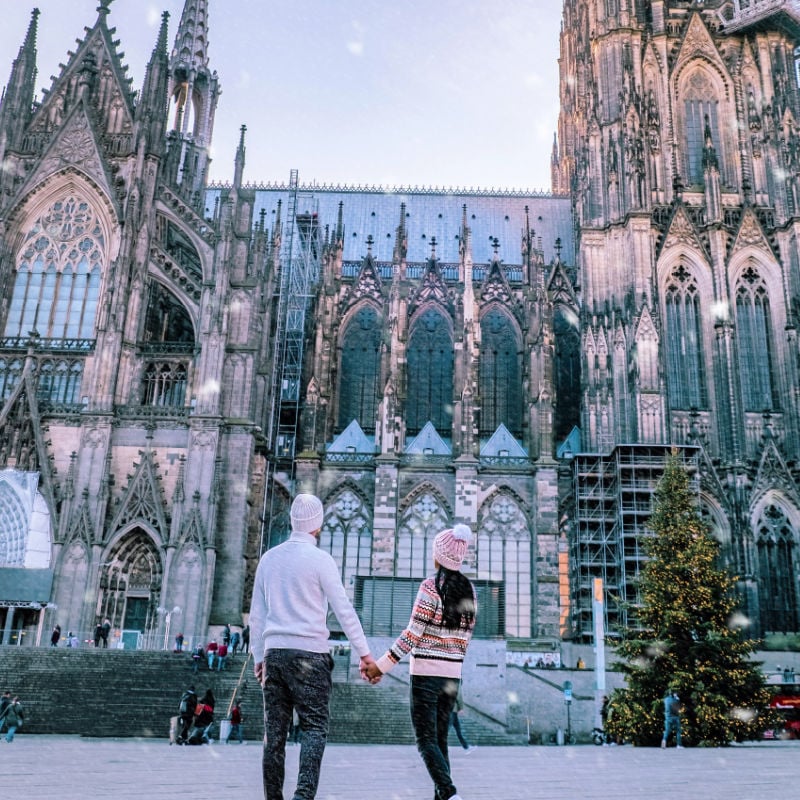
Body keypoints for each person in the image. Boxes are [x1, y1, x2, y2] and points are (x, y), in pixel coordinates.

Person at [249, 493, 377, 800]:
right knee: (314, 728)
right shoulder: (321, 561)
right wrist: (365, 654)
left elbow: (257, 615)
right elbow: (344, 610)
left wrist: (258, 657)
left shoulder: (269, 559)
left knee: (275, 736)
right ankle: (303, 797)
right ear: (317, 527)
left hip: (276, 654)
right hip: (312, 656)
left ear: (292, 522)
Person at [365, 524, 477, 800]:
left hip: (426, 675)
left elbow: (412, 635)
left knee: (425, 740)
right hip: (452, 677)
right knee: (440, 742)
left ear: (439, 556)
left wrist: (381, 665)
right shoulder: (469, 591)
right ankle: (445, 797)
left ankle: (450, 793)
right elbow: (464, 640)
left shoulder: (430, 587)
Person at [449, 685, 476, 753]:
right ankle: (441, 745)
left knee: (458, 731)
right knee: (447, 730)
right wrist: (460, 708)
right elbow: (458, 696)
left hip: (452, 711)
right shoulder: (455, 684)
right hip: (451, 711)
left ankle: (466, 747)